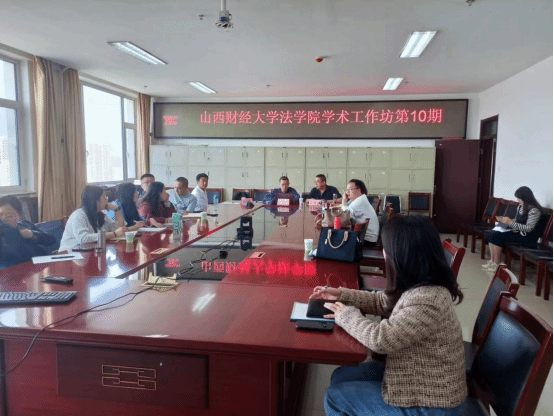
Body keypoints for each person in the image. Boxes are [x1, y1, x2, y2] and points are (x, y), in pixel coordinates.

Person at [311, 215, 467, 415]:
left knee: (334, 397)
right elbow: (382, 301)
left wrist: (347, 315)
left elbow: (380, 339)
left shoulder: (428, 299)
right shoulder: (419, 284)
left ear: (403, 255)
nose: (384, 253)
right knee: (341, 376)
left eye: (386, 248)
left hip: (431, 403)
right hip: (411, 377)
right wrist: (342, 294)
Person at [483, 186, 544, 271]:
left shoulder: (534, 210)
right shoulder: (521, 207)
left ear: (525, 198)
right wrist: (505, 220)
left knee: (497, 236)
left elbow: (529, 228)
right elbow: (516, 220)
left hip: (528, 237)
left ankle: (497, 264)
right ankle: (492, 261)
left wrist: (511, 223)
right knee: (492, 233)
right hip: (519, 233)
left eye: (519, 198)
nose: (517, 200)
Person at [59, 186, 126, 252]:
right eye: (104, 197)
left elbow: (118, 229)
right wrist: (114, 234)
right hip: (71, 254)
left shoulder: (100, 215)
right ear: (95, 200)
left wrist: (116, 209)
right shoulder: (78, 215)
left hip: (89, 252)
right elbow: (84, 239)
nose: (106, 199)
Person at [338, 179, 379, 245]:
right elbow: (346, 207)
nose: (347, 192)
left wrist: (344, 200)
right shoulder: (360, 199)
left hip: (366, 239)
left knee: (337, 236)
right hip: (366, 236)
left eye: (350, 189)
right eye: (347, 190)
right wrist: (342, 203)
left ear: (358, 190)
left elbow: (345, 216)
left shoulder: (359, 202)